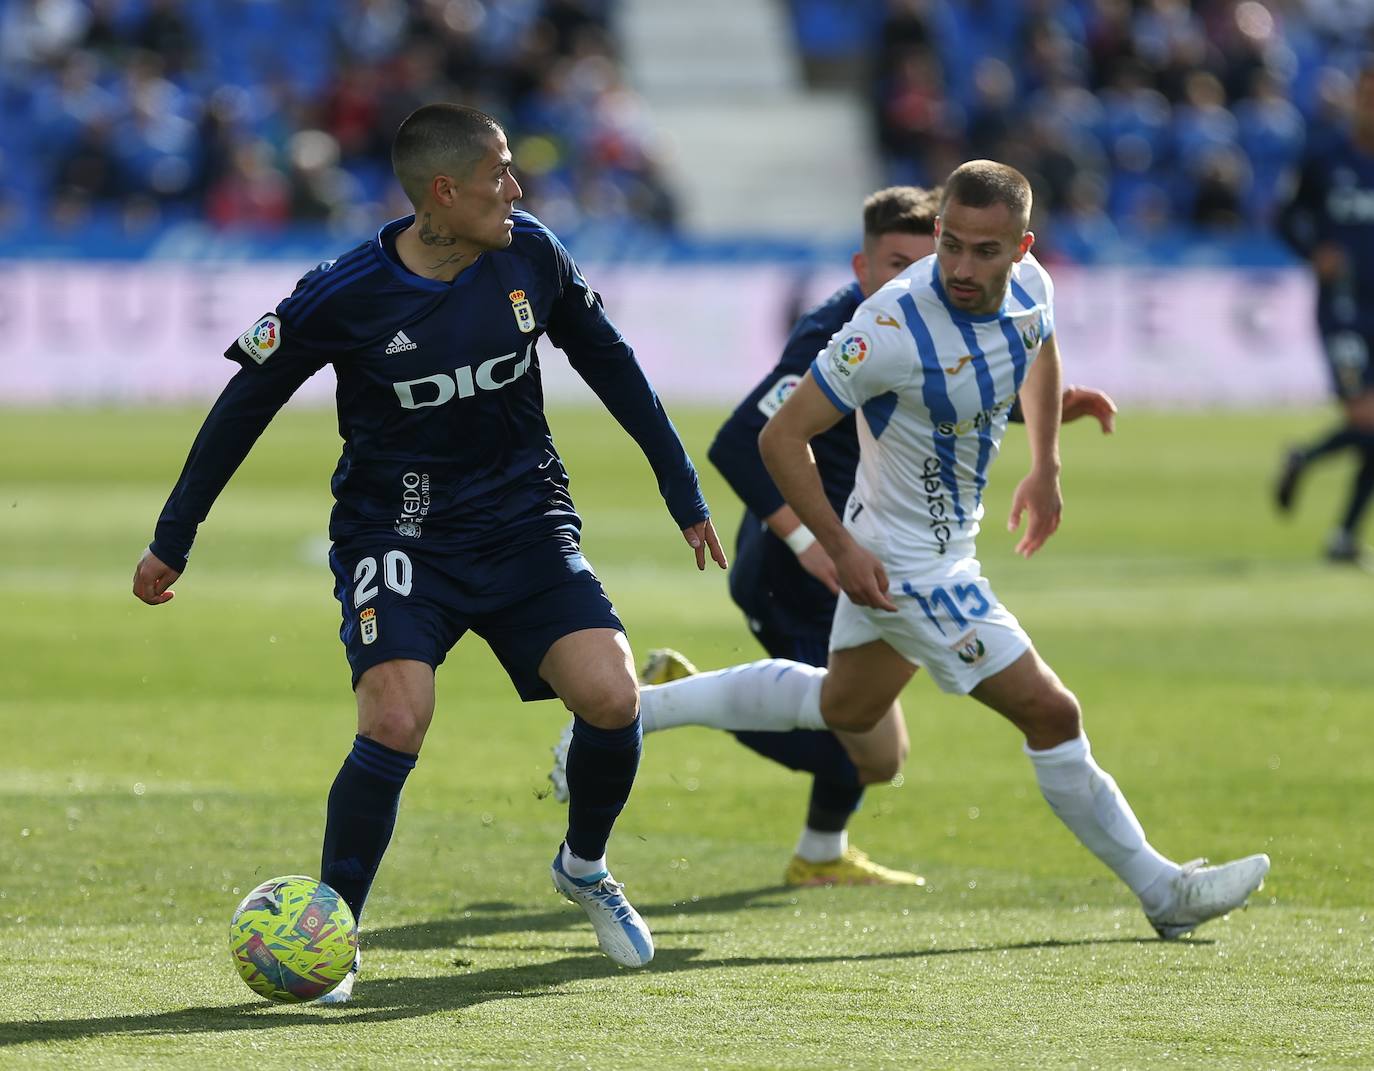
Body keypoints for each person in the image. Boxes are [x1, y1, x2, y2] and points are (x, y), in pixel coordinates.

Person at [130, 103, 727, 1001]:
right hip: (396, 529)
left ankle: (584, 864)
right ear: (443, 193)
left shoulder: (531, 253)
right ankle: (332, 933)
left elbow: (612, 361)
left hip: (526, 518)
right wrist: (174, 537)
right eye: (499, 177)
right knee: (395, 718)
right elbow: (242, 405)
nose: (517, 191)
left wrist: (680, 488)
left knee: (611, 697)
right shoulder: (342, 293)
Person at [625, 161, 1269, 940]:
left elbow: (1034, 350)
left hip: (942, 545)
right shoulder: (891, 325)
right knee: (1051, 710)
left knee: (844, 707)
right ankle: (1161, 888)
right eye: (951, 245)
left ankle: (635, 711)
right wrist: (834, 544)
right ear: (938, 232)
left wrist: (1046, 461)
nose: (961, 268)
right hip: (907, 564)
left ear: (1022, 248)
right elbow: (775, 437)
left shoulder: (1034, 286)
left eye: (984, 252)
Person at [552, 185, 1118, 888]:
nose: (932, 273)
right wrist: (815, 547)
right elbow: (741, 441)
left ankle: (819, 849)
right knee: (866, 748)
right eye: (900, 260)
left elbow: (951, 400)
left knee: (864, 732)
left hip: (869, 550)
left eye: (931, 255)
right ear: (862, 267)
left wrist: (1043, 424)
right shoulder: (845, 333)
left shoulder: (944, 316)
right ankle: (666, 712)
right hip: (793, 569)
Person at [1275, 63, 1374, 566]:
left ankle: (1344, 536)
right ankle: (1309, 465)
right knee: (1367, 417)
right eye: (1366, 95)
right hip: (1343, 309)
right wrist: (1314, 250)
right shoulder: (1325, 157)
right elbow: (1286, 216)